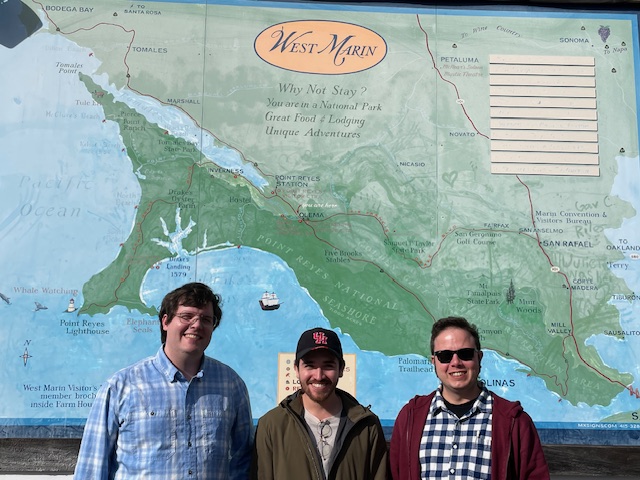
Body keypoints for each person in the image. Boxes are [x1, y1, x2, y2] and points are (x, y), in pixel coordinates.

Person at [74, 282, 253, 480]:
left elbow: (242, 463)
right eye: (186, 316)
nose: (196, 325)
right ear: (165, 322)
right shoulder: (121, 387)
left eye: (206, 319)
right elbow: (92, 469)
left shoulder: (231, 385)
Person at [390, 316, 549, 480]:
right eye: (445, 356)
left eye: (465, 354)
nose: (455, 362)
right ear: (434, 362)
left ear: (479, 358)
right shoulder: (410, 418)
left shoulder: (515, 422)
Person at [251, 327, 389, 480]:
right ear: (296, 369)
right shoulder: (271, 426)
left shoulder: (367, 426)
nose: (318, 375)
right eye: (309, 365)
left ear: (341, 369)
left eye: (328, 365)